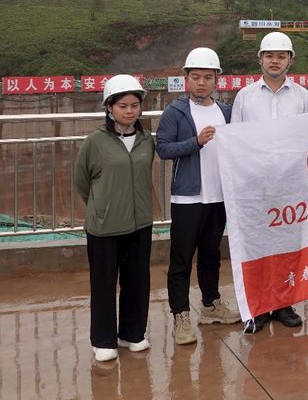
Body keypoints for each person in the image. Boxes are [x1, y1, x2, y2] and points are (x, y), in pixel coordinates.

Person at [156, 47, 241, 346]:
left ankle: (211, 305)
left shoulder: (226, 112)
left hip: (218, 197)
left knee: (211, 254)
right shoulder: (176, 112)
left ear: (217, 79)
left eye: (207, 77)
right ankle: (180, 316)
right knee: (181, 259)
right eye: (196, 77)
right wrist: (195, 142)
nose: (202, 83)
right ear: (186, 79)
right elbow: (163, 148)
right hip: (188, 198)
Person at [231, 31, 308, 332]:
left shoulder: (302, 96)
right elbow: (237, 140)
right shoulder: (245, 97)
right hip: (256, 185)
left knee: (287, 245)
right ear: (260, 59)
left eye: (281, 56)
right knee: (256, 245)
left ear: (290, 60)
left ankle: (283, 303)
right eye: (269, 56)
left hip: (291, 184)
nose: (275, 61)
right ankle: (259, 305)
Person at [75, 74, 154, 362]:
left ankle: (132, 333)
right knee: (104, 284)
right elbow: (82, 181)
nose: (130, 111)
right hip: (104, 227)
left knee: (137, 280)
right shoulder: (95, 142)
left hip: (140, 223)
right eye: (122, 106)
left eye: (135, 105)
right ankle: (104, 340)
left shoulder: (146, 140)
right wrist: (102, 207)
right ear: (109, 107)